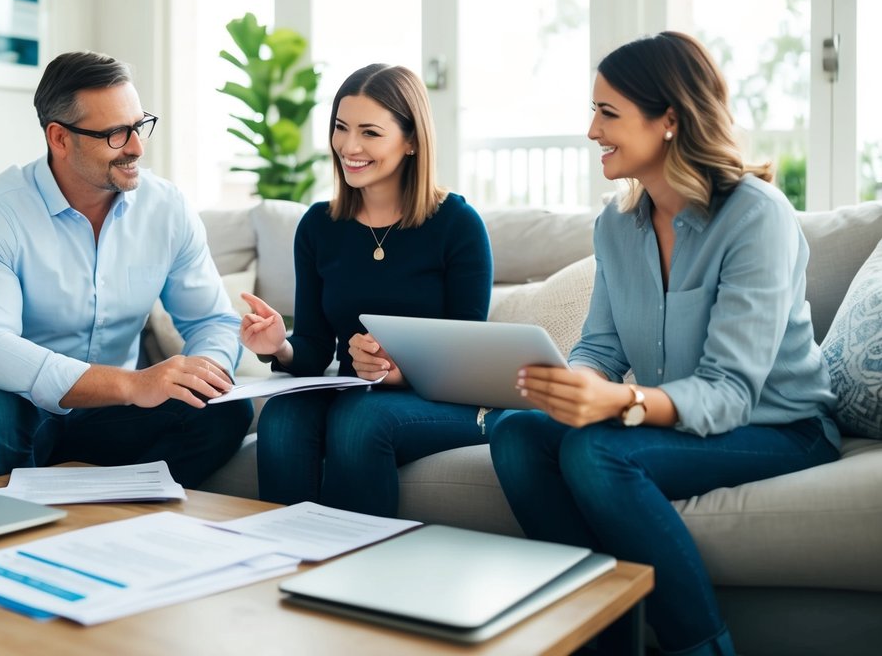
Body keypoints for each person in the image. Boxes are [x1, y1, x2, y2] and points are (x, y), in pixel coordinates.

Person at [489, 32, 840, 656]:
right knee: (517, 431)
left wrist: (619, 404)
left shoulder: (756, 217)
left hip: (781, 426)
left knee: (597, 455)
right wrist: (570, 386)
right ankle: (602, 642)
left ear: (669, 119)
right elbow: (599, 348)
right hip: (677, 421)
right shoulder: (616, 226)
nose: (592, 131)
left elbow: (730, 393)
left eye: (608, 113)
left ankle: (703, 648)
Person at [0, 51, 253, 486]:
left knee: (224, 410)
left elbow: (212, 320)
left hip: (116, 417)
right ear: (59, 138)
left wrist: (199, 373)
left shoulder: (166, 208)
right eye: (116, 134)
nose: (137, 148)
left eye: (139, 126)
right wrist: (130, 384)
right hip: (18, 402)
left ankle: (117, 518)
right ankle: (7, 543)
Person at [239, 63, 497, 517]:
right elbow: (316, 350)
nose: (349, 146)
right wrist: (279, 347)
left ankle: (361, 573)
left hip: (443, 400)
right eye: (341, 128)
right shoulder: (319, 227)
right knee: (282, 417)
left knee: (359, 420)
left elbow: (468, 357)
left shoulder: (457, 225)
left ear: (412, 140)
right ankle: (283, 564)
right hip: (357, 388)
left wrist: (396, 371)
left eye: (370, 132)